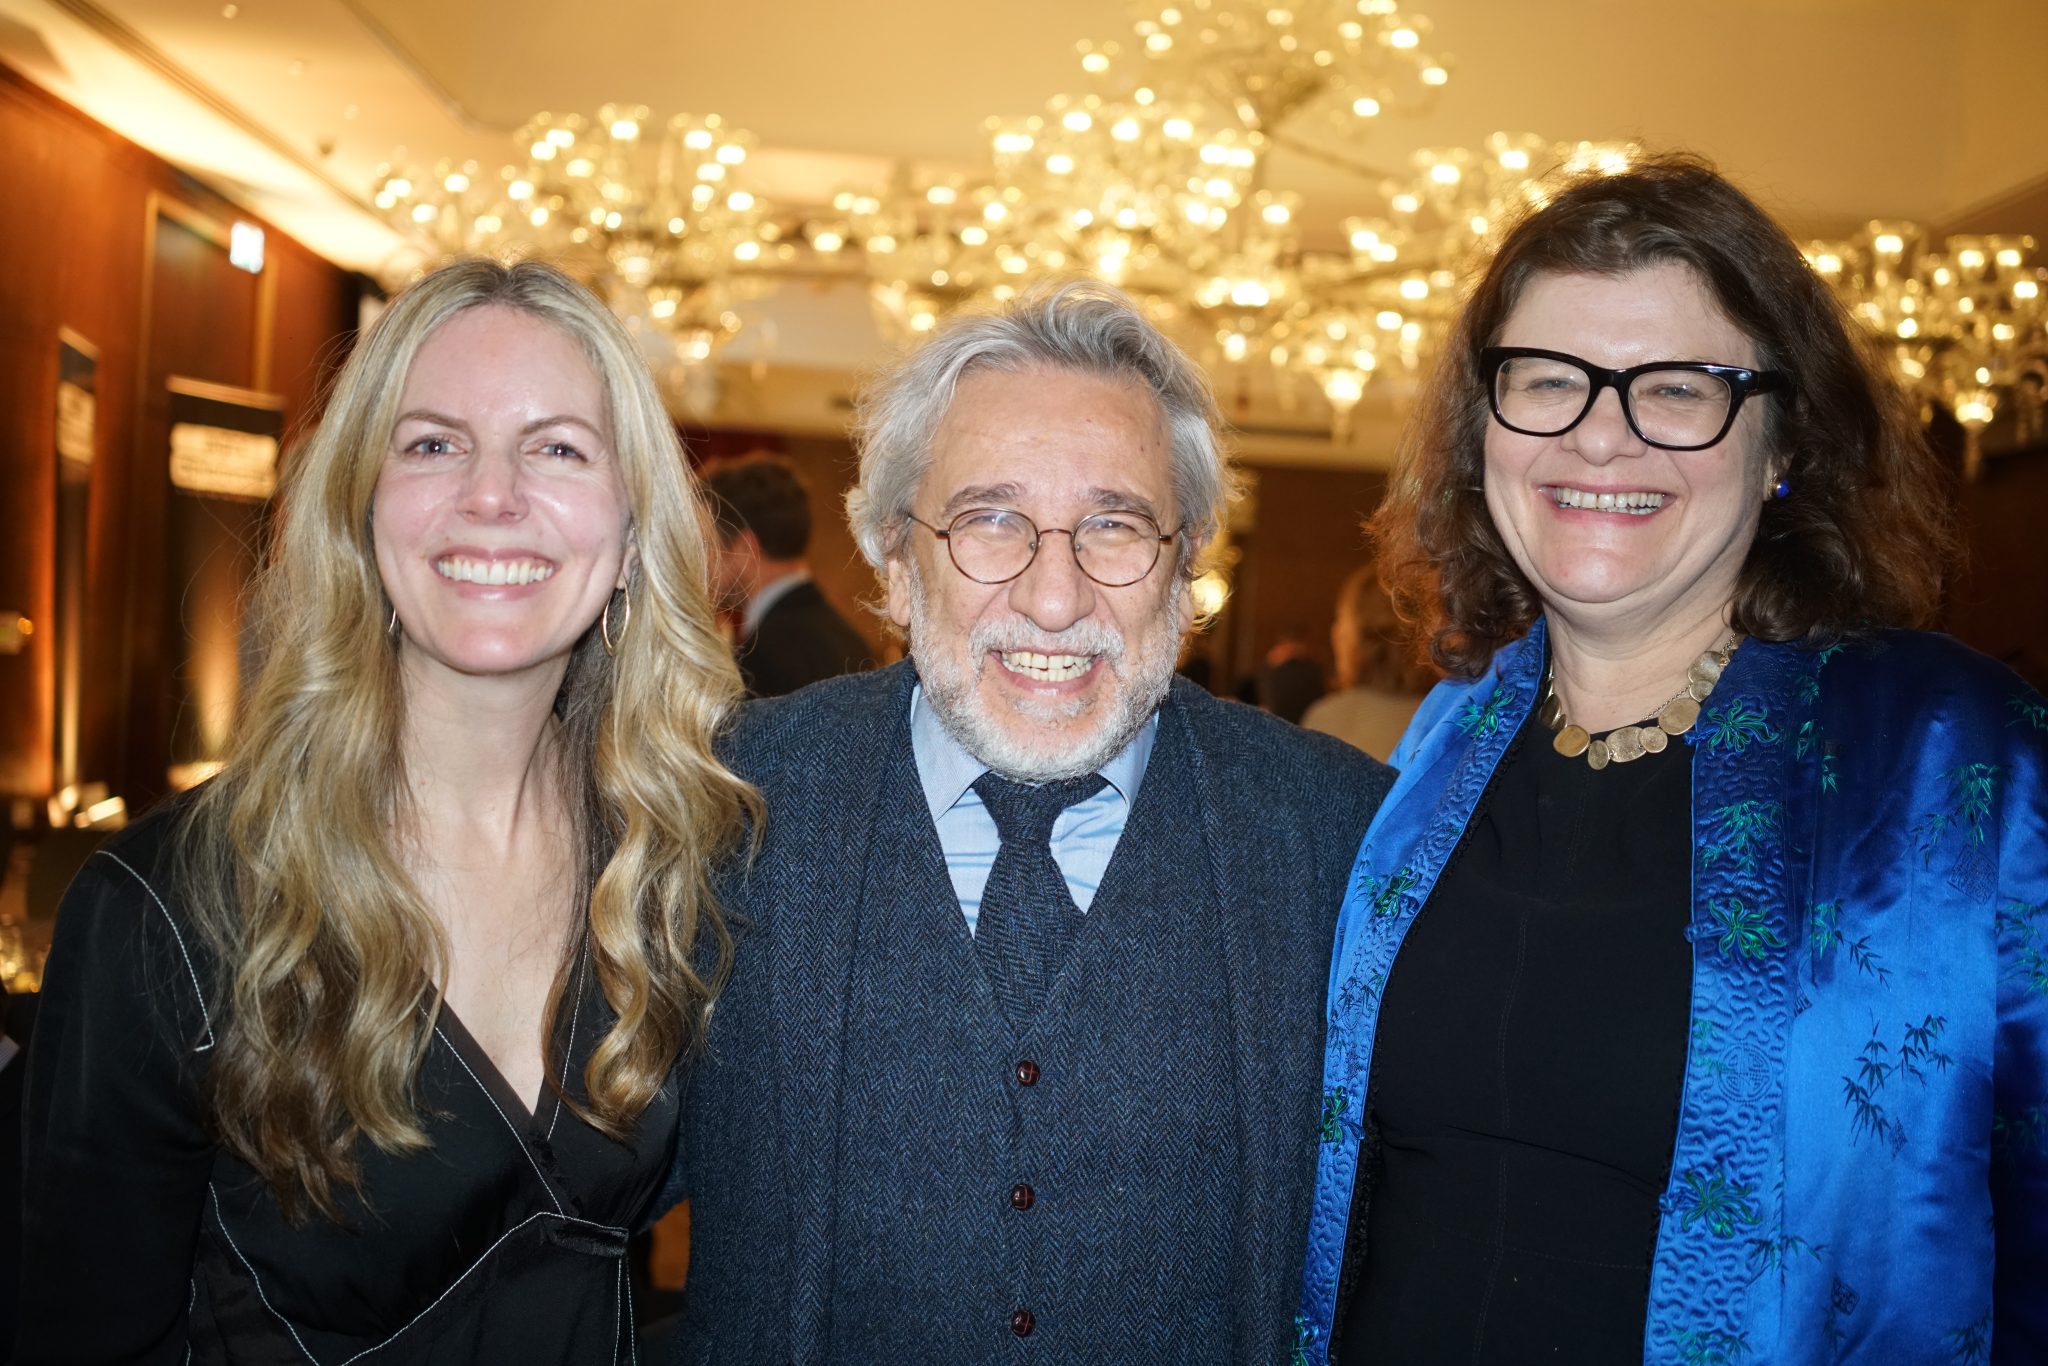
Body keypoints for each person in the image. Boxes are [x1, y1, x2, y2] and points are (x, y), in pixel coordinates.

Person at [1295, 156, 2048, 1365]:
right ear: (1482, 429)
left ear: (1782, 437)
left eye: (1676, 390)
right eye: (1547, 380)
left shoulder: (1952, 756)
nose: (1599, 437)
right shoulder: (1446, 736)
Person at [16, 258, 755, 1364]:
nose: (492, 494)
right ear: (360, 516)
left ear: (634, 535)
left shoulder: (674, 868)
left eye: (558, 448)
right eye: (433, 444)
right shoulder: (171, 906)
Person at [667, 281, 1393, 1363]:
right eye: (990, 521)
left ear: (1186, 561)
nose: (1054, 598)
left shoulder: (1340, 836)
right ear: (893, 558)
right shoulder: (718, 803)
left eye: (1115, 526)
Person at [701, 454, 874, 696]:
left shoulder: (762, 657)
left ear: (745, 549)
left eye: (707, 545)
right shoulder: (849, 638)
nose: (701, 564)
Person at [1300, 564, 1435, 760]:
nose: (1335, 632)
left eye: (1340, 619)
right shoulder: (1449, 717)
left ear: (1354, 635)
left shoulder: (1329, 718)